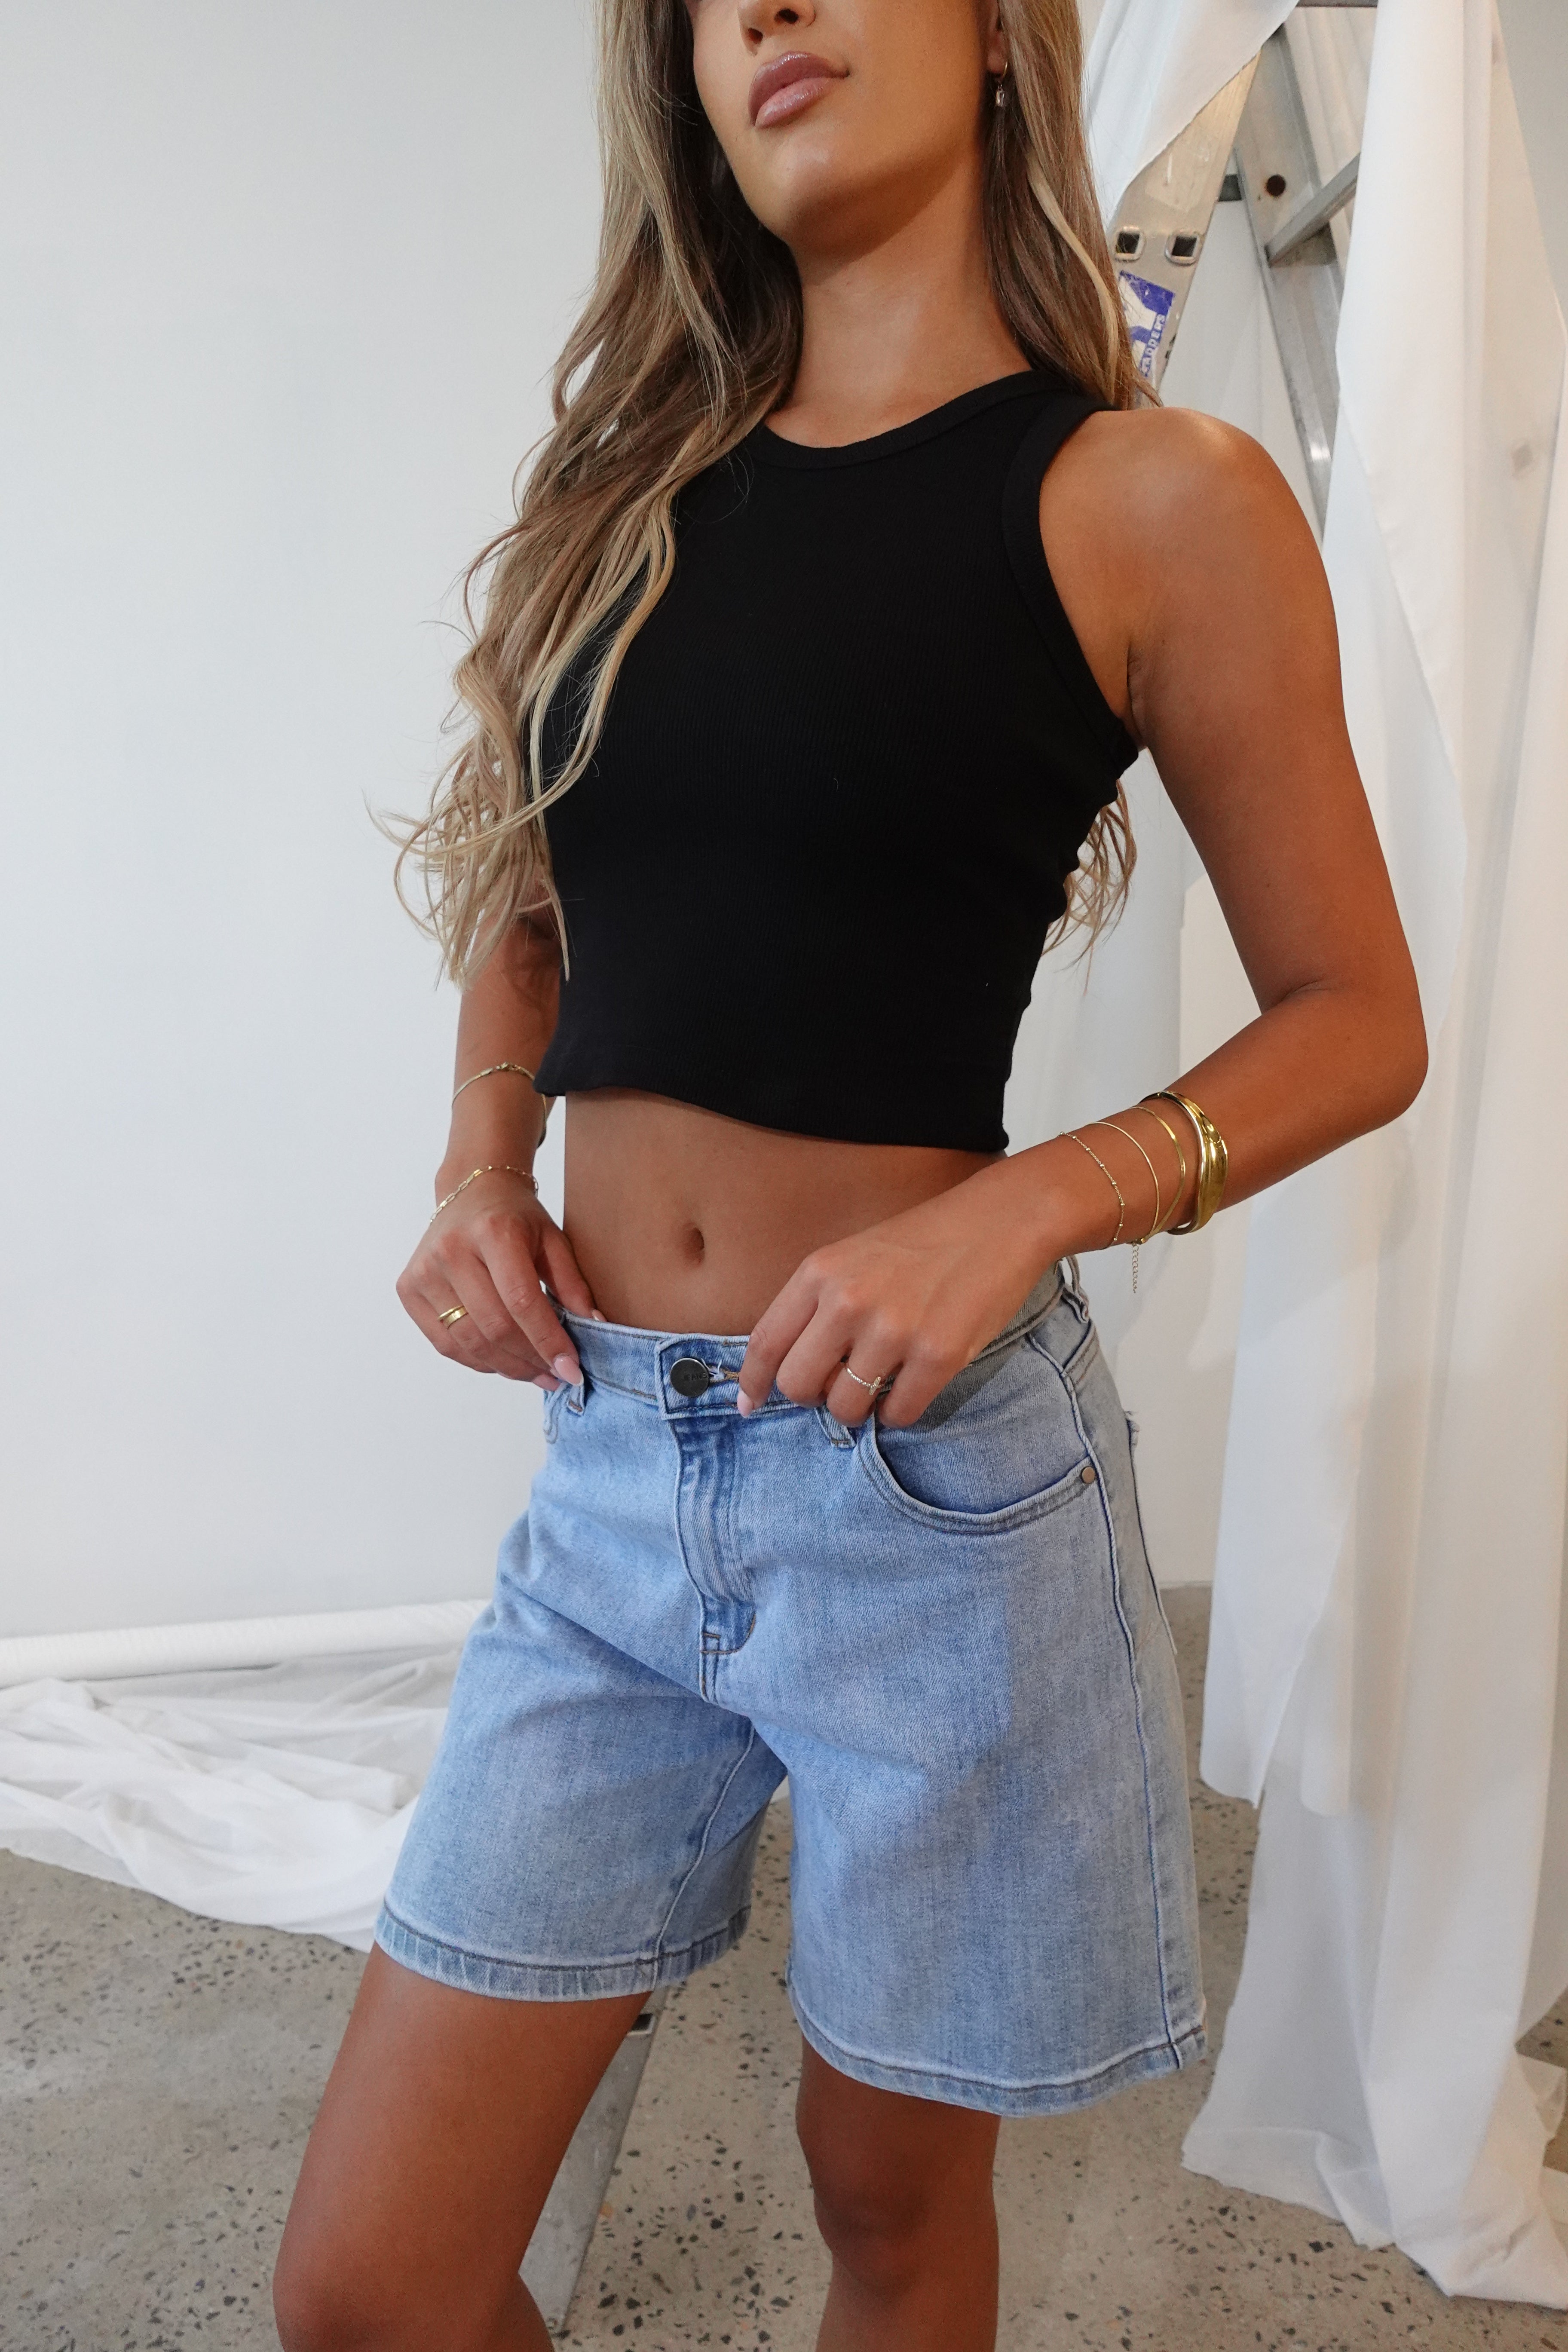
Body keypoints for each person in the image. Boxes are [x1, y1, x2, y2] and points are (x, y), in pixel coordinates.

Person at [273, 2, 1426, 2346]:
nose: (768, 11)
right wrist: (482, 1153)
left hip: (934, 1498)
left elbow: (1358, 1020)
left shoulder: (1150, 500)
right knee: (371, 2294)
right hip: (612, 1483)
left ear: (1001, 36)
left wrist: (1027, 1202)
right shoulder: (632, 497)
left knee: (885, 2210)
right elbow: (533, 886)